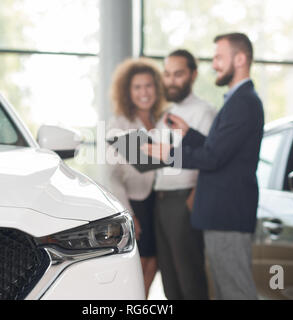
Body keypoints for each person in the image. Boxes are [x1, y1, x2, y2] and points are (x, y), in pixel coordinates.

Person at [143, 33, 264, 300]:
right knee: (223, 290)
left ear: (241, 59)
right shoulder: (236, 100)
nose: (215, 64)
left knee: (235, 291)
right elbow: (219, 149)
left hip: (227, 213)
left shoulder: (243, 101)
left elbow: (212, 158)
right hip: (221, 213)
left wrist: (169, 153)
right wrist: (190, 133)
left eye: (219, 57)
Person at [152, 49, 216, 300]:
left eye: (178, 74)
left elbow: (210, 158)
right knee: (170, 281)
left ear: (193, 75)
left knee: (190, 280)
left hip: (184, 200)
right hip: (162, 200)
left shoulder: (204, 111)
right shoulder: (165, 115)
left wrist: (194, 198)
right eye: (167, 74)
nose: (171, 80)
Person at [105, 58, 167, 298]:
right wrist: (129, 213)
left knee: (155, 262)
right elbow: (114, 176)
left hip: (159, 200)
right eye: (137, 87)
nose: (144, 92)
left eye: (148, 86)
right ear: (127, 92)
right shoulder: (119, 123)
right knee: (140, 262)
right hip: (136, 201)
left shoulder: (162, 120)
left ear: (157, 88)